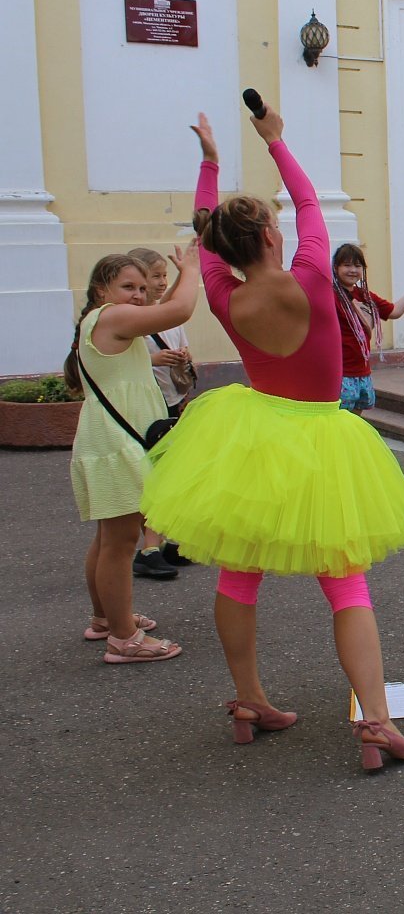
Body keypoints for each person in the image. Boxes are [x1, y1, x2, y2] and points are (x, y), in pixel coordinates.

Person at [140, 107, 404, 772]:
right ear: (271, 237)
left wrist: (210, 161)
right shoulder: (311, 276)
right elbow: (306, 198)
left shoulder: (221, 295)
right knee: (346, 584)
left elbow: (206, 234)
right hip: (322, 438)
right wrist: (274, 139)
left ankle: (249, 702)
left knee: (241, 573)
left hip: (253, 435)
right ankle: (376, 724)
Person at [66, 249, 199, 660]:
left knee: (109, 539)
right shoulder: (111, 317)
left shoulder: (105, 320)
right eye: (129, 287)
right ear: (101, 289)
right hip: (117, 446)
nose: (140, 295)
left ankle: (106, 618)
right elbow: (179, 310)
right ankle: (124, 639)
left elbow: (165, 306)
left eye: (143, 288)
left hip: (111, 441)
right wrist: (192, 268)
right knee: (121, 544)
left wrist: (176, 276)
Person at [128, 246, 197, 577]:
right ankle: (149, 547)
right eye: (153, 277)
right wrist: (154, 360)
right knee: (153, 477)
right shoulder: (132, 321)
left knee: (173, 473)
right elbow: (124, 362)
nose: (158, 284)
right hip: (145, 410)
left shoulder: (165, 316)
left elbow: (172, 306)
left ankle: (170, 541)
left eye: (162, 277)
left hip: (170, 402)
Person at [331, 243, 404, 414]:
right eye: (347, 265)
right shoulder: (330, 295)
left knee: (357, 424)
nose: (353, 270)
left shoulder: (365, 295)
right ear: (336, 268)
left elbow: (395, 311)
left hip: (362, 373)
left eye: (357, 265)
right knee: (339, 425)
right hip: (340, 374)